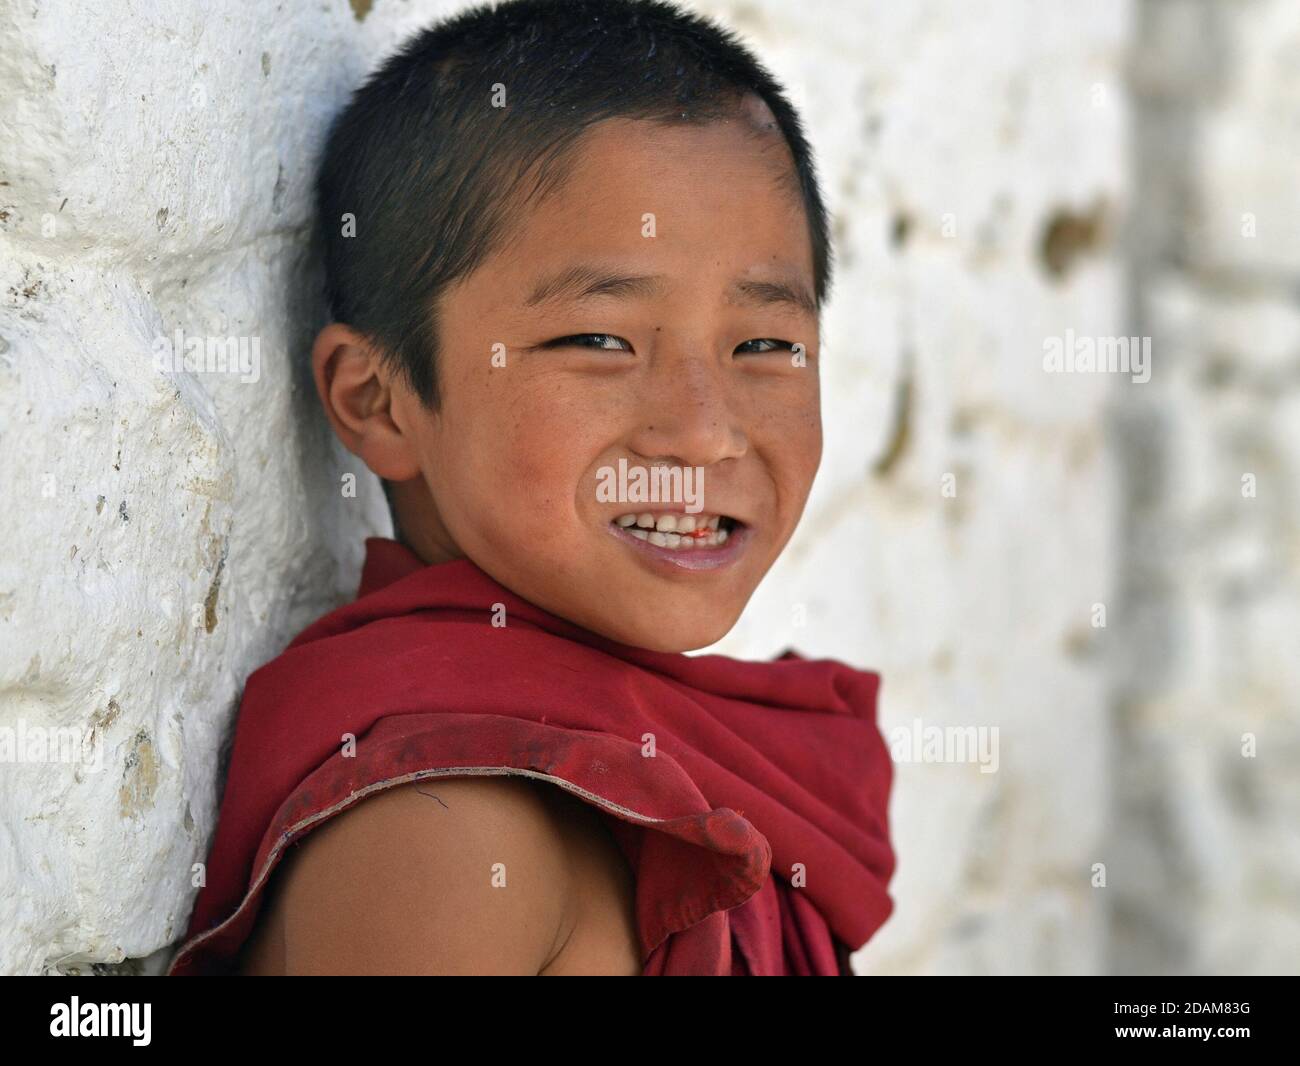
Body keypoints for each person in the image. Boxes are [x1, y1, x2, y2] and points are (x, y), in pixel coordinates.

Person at [168, 0, 895, 976]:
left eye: (763, 343)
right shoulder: (452, 835)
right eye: (598, 341)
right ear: (379, 401)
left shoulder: (667, 754)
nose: (704, 428)